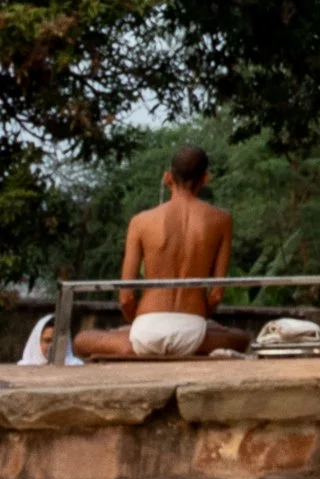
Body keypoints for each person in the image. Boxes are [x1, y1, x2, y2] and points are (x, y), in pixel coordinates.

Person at [55, 148, 256, 361]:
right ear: (205, 178)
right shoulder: (222, 220)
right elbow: (216, 294)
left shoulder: (141, 221)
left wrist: (139, 325)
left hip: (146, 327)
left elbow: (126, 297)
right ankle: (174, 345)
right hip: (193, 330)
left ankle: (132, 348)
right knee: (241, 338)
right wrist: (196, 321)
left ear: (168, 177)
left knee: (82, 339)